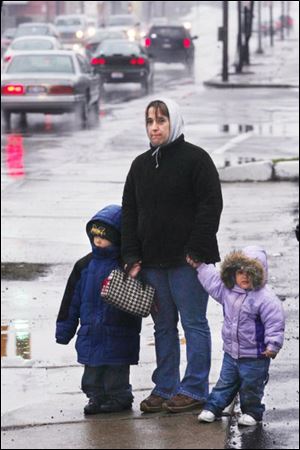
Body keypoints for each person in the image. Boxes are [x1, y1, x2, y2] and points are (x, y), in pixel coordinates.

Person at [121, 98, 223, 413]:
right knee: (163, 327)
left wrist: (196, 248)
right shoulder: (140, 165)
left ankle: (194, 389)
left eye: (161, 120)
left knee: (193, 324)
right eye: (150, 121)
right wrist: (131, 255)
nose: (154, 127)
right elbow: (129, 212)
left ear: (173, 123)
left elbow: (211, 205)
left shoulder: (196, 160)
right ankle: (165, 388)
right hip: (151, 263)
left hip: (187, 263)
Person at [56, 205, 141, 415]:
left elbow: (139, 298)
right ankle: (96, 397)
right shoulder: (84, 265)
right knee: (91, 375)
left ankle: (119, 397)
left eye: (105, 237)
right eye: (95, 236)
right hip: (91, 332)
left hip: (119, 332)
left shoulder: (126, 266)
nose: (98, 241)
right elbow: (71, 300)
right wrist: (64, 330)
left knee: (116, 373)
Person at [187, 245, 285, 426]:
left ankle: (252, 412)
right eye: (240, 272)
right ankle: (213, 408)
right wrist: (200, 265)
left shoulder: (265, 298)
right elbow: (212, 281)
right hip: (231, 354)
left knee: (251, 386)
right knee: (225, 382)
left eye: (250, 272)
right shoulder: (228, 290)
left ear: (259, 273)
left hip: (256, 356)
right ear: (233, 273)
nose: (245, 277)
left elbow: (274, 323)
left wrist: (273, 345)